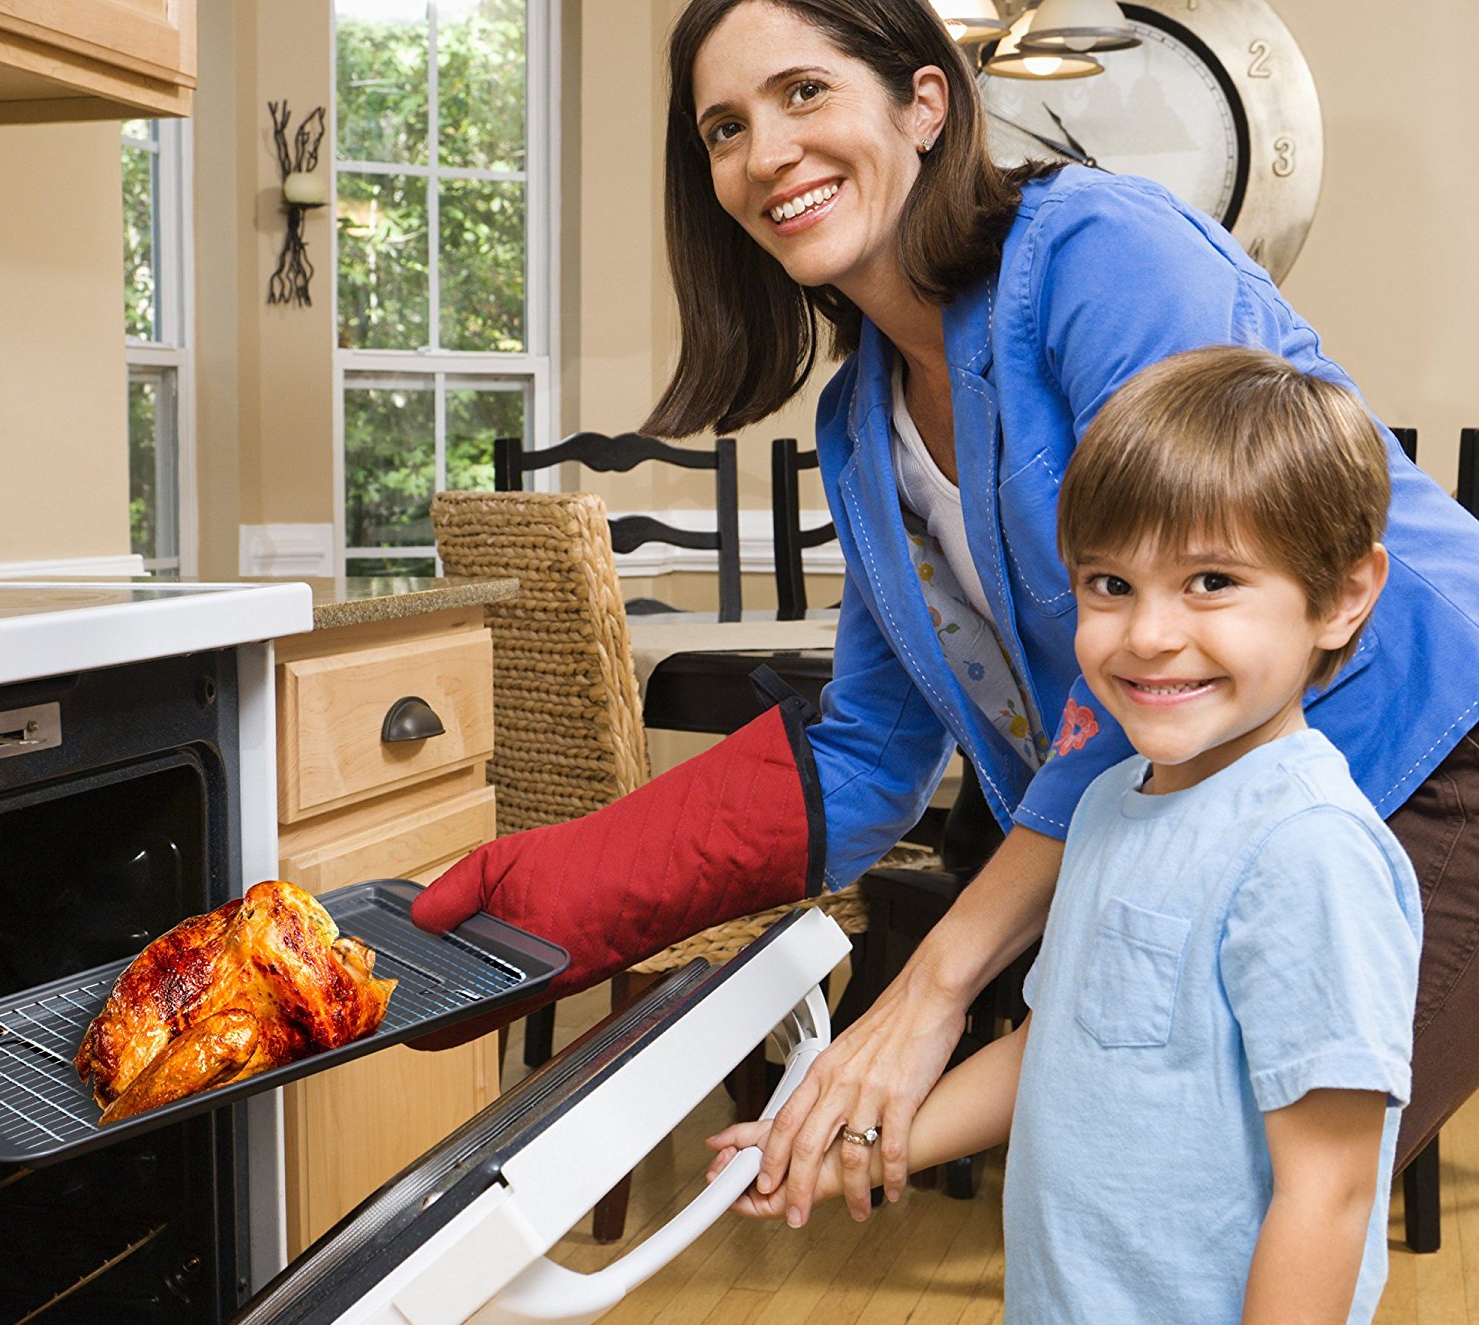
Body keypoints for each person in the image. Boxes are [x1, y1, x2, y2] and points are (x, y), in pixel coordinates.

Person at [412, 0, 1479, 1231]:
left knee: (1233, 1223)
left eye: (804, 94)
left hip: (1427, 764)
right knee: (1131, 1227)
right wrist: (521, 902)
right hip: (1200, 814)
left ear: (925, 104)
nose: (764, 155)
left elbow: (1176, 645)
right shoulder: (858, 425)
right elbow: (864, 755)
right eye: (723, 128)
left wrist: (931, 987)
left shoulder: (1101, 256)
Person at [707, 345, 1415, 1325]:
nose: (1148, 634)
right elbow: (1058, 1053)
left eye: (1213, 584)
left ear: (1341, 595)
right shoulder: (1104, 807)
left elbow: (1328, 1196)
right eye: (1109, 585)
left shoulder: (1306, 852)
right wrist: (864, 1148)